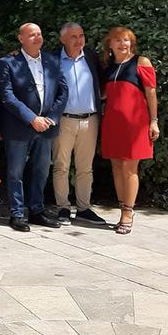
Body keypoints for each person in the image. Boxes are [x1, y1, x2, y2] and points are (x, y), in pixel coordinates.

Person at [0, 23, 68, 232]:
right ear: (21, 38)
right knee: (15, 172)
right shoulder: (8, 62)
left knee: (41, 170)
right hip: (19, 127)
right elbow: (7, 96)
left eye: (39, 34)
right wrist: (31, 118)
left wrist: (51, 117)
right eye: (32, 35)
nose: (37, 38)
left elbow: (63, 92)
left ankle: (37, 210)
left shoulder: (53, 61)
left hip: (46, 127)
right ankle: (17, 214)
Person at [101, 26, 159, 234]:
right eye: (117, 40)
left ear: (131, 43)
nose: (122, 43)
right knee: (116, 166)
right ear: (110, 44)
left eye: (126, 40)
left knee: (129, 168)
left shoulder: (141, 62)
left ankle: (128, 212)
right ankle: (121, 207)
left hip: (135, 124)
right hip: (112, 123)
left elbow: (151, 94)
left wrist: (154, 121)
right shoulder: (107, 67)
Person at [51, 23, 107, 226]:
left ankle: (84, 208)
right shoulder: (53, 59)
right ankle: (63, 208)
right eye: (73, 36)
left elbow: (105, 82)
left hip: (90, 120)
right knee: (61, 166)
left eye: (81, 35)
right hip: (64, 120)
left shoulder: (91, 57)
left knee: (85, 168)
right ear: (62, 39)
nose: (78, 40)